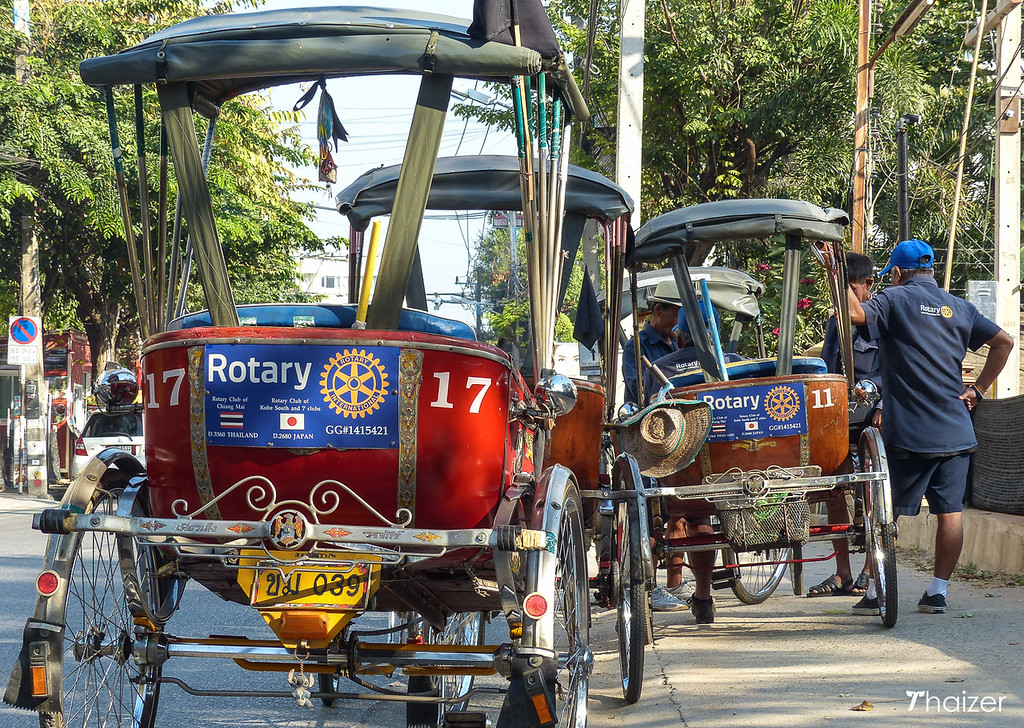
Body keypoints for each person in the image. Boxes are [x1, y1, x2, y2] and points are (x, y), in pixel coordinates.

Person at [847, 239, 1013, 615]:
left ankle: (876, 591)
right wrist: (979, 389)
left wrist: (841, 278)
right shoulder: (959, 306)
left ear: (897, 272)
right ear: (932, 270)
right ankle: (937, 591)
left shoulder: (894, 299)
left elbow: (855, 315)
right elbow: (1004, 341)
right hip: (956, 429)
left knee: (884, 514)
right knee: (949, 512)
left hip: (909, 432)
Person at [808, 252, 878, 598]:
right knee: (832, 483)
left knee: (872, 493)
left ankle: (870, 568)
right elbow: (825, 370)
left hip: (873, 416)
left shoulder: (880, 316)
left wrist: (885, 404)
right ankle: (842, 573)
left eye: (850, 289)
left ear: (867, 285)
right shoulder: (836, 323)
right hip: (839, 416)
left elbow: (897, 368)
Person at [621, 280, 681, 406]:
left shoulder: (678, 343)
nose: (680, 323)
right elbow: (638, 388)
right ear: (658, 310)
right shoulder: (635, 346)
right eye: (677, 316)